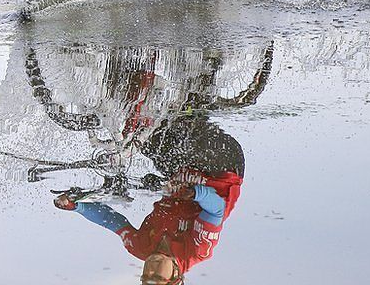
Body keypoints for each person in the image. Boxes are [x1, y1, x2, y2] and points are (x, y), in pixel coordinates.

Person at [53, 114, 245, 285]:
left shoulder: (140, 248)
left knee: (140, 134)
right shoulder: (197, 250)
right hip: (222, 168)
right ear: (175, 277)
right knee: (184, 130)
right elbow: (216, 209)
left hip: (180, 169)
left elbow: (111, 221)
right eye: (158, 277)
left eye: (145, 277)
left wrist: (77, 206)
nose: (150, 270)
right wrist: (195, 193)